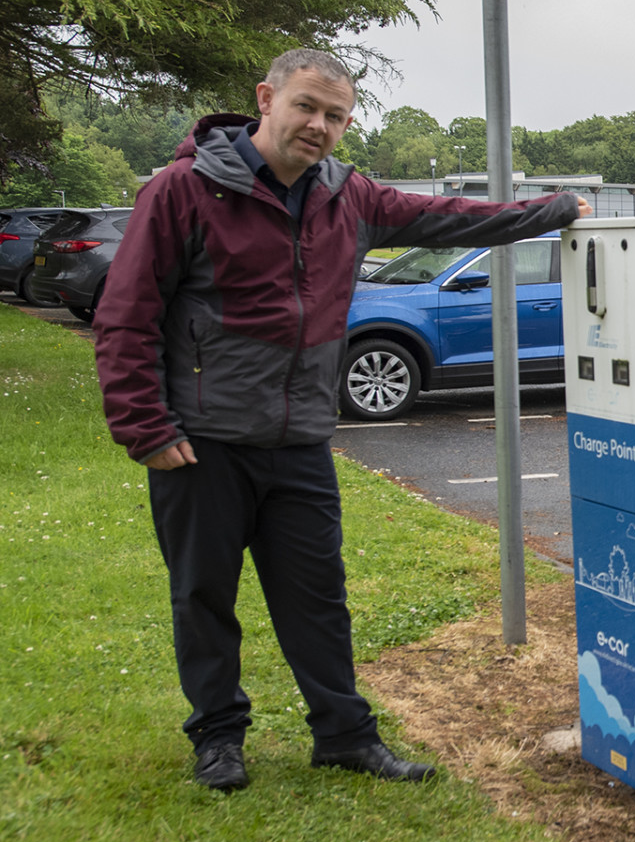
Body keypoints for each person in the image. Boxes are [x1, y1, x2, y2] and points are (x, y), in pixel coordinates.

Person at [94, 48, 591, 792]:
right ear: (266, 99)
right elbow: (125, 317)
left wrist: (549, 212)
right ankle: (219, 738)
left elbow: (450, 218)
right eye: (306, 107)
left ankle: (345, 736)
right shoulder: (182, 191)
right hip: (205, 442)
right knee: (204, 598)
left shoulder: (347, 196)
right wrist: (148, 431)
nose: (319, 126)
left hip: (299, 440)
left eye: (336, 116)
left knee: (318, 598)